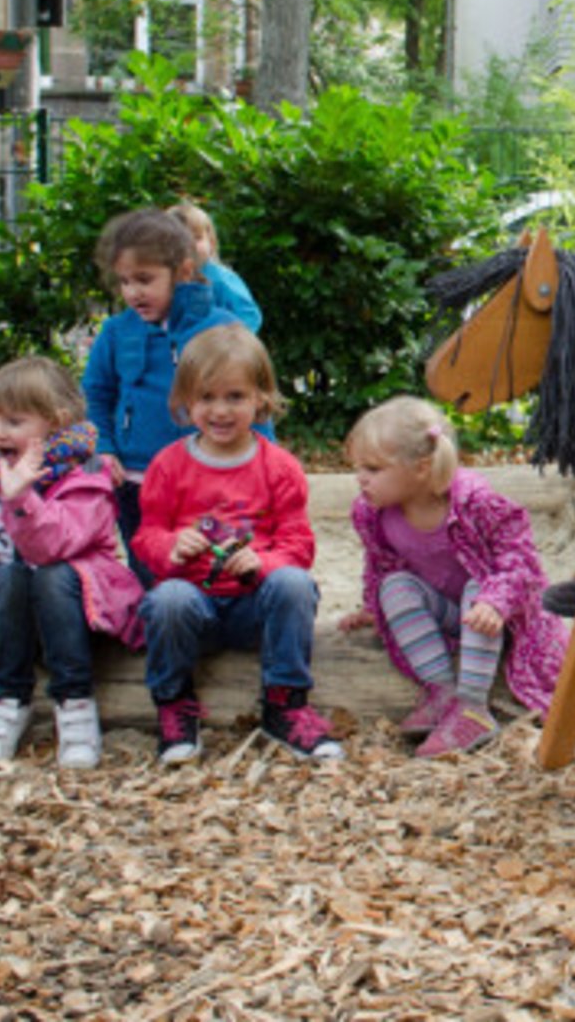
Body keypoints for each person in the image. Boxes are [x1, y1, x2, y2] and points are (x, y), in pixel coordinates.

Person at [133, 325, 341, 762]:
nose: (220, 411)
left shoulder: (278, 467)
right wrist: (171, 546)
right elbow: (145, 535)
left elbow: (298, 544)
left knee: (294, 584)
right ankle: (173, 704)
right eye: (206, 398)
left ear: (261, 400)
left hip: (255, 607)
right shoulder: (169, 467)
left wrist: (263, 562)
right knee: (167, 598)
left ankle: (286, 705)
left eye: (234, 397)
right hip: (195, 608)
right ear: (185, 403)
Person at [0, 357, 143, 768]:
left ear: (55, 422)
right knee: (7, 573)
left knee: (50, 574)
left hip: (78, 616)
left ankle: (74, 701)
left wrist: (21, 499)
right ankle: (8, 700)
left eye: (13, 422)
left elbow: (52, 546)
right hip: (16, 613)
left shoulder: (87, 476)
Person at [337, 397, 569, 757]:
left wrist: (496, 601)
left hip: (499, 615)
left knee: (479, 585)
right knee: (394, 587)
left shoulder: (472, 501)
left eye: (373, 468)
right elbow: (381, 564)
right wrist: (373, 607)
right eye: (358, 468)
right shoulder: (373, 513)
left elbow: (519, 557)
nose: (361, 478)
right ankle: (442, 691)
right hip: (450, 613)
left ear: (420, 468)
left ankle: (473, 707)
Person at [82, 208, 244, 585]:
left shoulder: (220, 329)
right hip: (136, 479)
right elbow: (96, 393)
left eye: (145, 279)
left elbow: (251, 397)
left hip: (206, 475)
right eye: (124, 281)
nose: (133, 292)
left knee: (208, 567)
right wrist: (104, 446)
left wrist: (263, 459)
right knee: (151, 574)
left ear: (184, 271)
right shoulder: (117, 331)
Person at [170, 200, 263, 333]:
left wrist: (232, 344)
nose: (188, 246)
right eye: (179, 240)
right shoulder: (168, 279)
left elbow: (250, 315)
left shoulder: (220, 279)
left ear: (211, 243)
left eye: (196, 238)